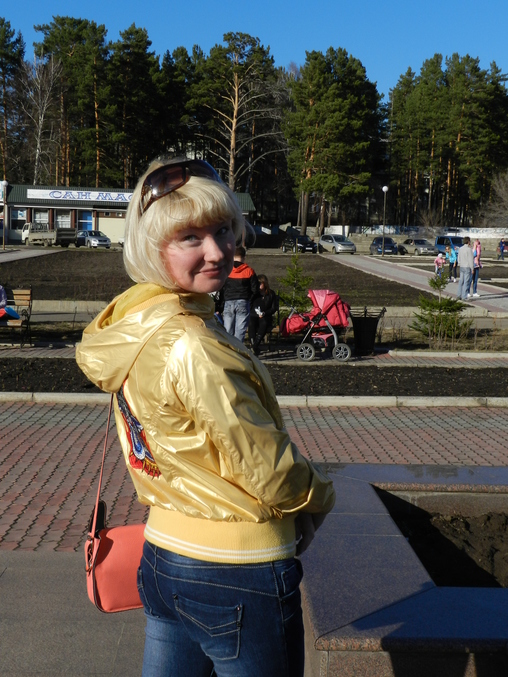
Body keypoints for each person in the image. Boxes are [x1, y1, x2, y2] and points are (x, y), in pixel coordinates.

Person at [75, 156, 335, 677]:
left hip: (163, 554)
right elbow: (264, 464)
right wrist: (319, 498)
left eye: (223, 230)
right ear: (152, 246)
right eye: (190, 237)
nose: (218, 251)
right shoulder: (194, 344)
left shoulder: (135, 322)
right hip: (237, 569)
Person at [221, 245, 258, 342]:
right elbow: (255, 289)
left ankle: (228, 349)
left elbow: (222, 287)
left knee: (227, 330)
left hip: (229, 301)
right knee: (240, 331)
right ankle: (237, 349)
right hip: (243, 301)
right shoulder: (249, 271)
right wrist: (249, 300)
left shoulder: (227, 270)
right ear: (244, 257)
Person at [248, 274, 279, 356]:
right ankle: (252, 344)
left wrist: (265, 313)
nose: (258, 285)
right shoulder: (254, 294)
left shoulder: (271, 294)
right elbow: (249, 305)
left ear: (265, 284)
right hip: (254, 315)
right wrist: (253, 294)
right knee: (251, 323)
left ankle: (255, 345)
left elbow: (273, 308)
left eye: (260, 283)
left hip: (265, 315)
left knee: (264, 323)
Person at [457, 236, 474, 301]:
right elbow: (470, 260)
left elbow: (458, 258)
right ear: (468, 242)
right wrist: (472, 268)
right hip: (467, 266)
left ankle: (459, 295)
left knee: (461, 281)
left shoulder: (460, 249)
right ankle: (464, 296)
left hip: (462, 266)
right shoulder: (469, 250)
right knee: (466, 282)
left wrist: (460, 263)